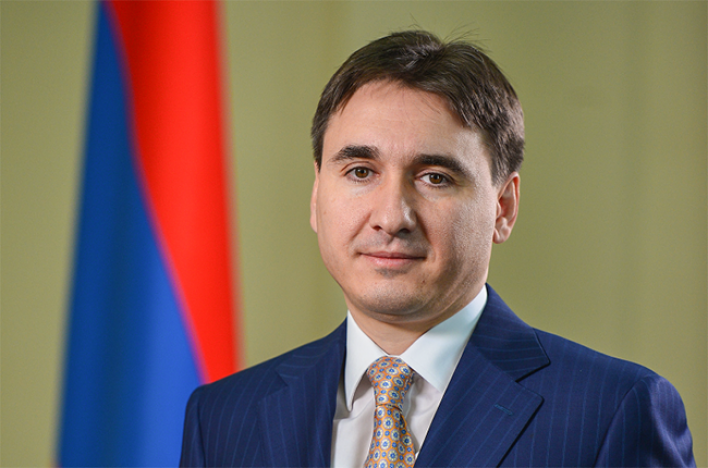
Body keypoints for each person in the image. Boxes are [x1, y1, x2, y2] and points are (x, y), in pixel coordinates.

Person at [179, 30, 695, 468]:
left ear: (503, 207)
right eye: (360, 171)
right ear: (316, 195)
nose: (391, 217)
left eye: (435, 177)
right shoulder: (222, 417)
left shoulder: (612, 412)